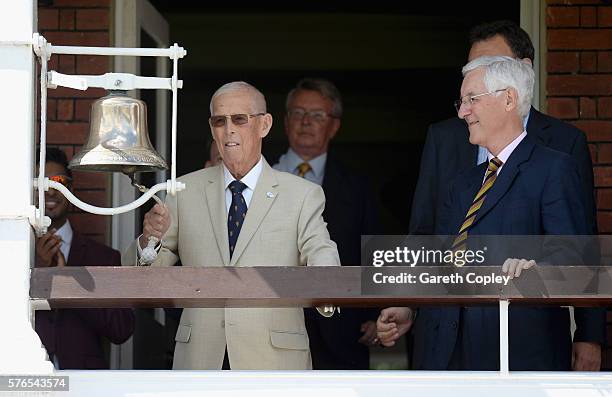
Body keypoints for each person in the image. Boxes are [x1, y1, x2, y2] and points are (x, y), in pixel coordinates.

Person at [378, 20, 604, 371]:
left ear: (509, 97)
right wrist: (409, 300)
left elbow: (575, 253)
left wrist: (535, 270)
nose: (462, 111)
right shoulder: (464, 181)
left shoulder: (555, 164)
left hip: (514, 346)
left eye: (472, 99)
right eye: (462, 100)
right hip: (444, 346)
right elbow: (432, 244)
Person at [122, 81, 341, 370]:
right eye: (219, 121)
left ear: (264, 125)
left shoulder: (301, 194)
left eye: (240, 119)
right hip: (201, 358)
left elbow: (320, 250)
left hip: (273, 361)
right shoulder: (184, 190)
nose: (229, 130)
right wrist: (149, 240)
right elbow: (145, 276)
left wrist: (328, 287)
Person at [274, 78, 380, 369]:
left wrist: (374, 312)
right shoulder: (262, 176)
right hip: (274, 321)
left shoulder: (358, 187)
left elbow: (371, 249)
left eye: (317, 115)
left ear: (334, 126)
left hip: (343, 328)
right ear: (285, 122)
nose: (306, 122)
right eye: (298, 113)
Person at [34, 147, 135, 369]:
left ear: (71, 188)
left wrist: (70, 284)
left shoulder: (104, 257)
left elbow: (122, 329)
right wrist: (38, 270)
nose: (51, 191)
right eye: (42, 183)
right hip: (23, 380)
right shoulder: (14, 256)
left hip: (86, 383)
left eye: (58, 181)